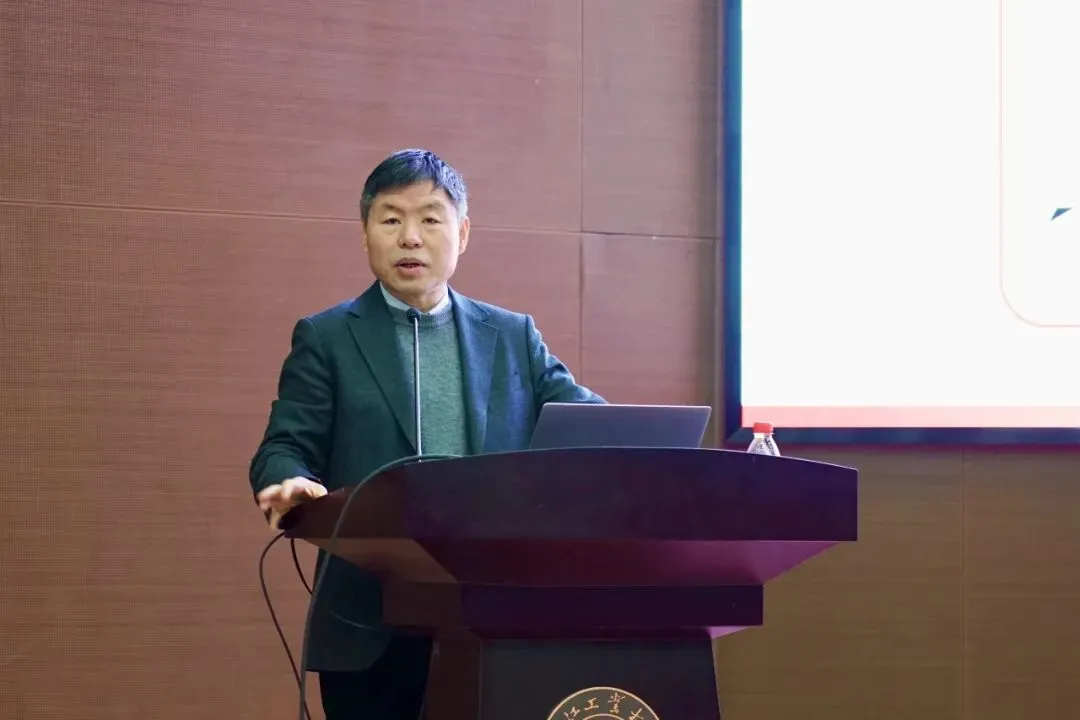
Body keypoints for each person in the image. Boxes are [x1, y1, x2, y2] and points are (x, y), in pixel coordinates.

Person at [248, 149, 605, 720]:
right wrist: (288, 480)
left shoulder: (512, 336)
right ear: (365, 234)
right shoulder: (327, 337)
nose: (409, 237)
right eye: (391, 219)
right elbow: (285, 445)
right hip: (370, 623)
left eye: (430, 219)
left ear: (462, 234)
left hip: (494, 618)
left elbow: (594, 427)